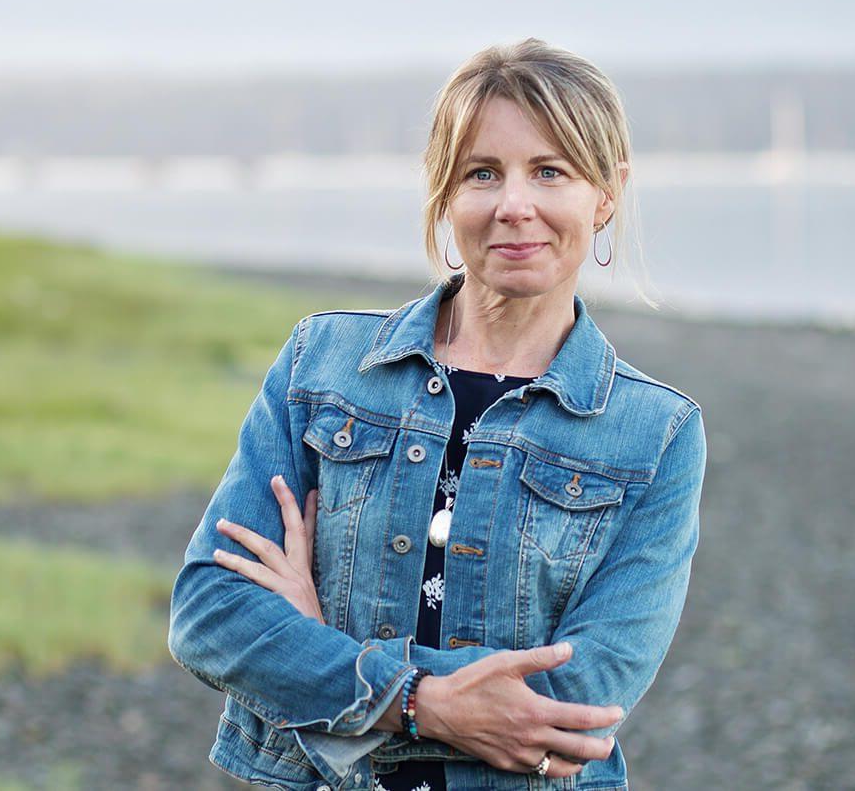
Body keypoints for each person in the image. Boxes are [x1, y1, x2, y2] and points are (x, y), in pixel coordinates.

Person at [168, 38, 708, 791]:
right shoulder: (322, 364)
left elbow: (577, 706)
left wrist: (321, 647)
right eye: (482, 173)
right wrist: (428, 703)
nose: (514, 204)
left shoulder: (656, 435)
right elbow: (209, 613)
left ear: (607, 192)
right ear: (445, 193)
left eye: (550, 171)